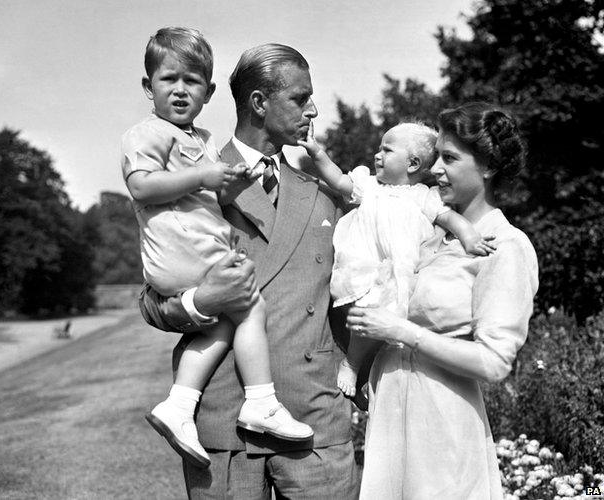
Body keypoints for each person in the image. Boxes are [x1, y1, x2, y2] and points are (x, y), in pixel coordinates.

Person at [139, 43, 360, 499]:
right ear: (259, 103)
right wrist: (201, 302)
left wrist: (355, 373)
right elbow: (150, 299)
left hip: (314, 420)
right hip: (224, 420)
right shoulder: (188, 180)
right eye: (300, 99)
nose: (313, 109)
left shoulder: (323, 192)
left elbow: (346, 294)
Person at [121, 28, 312, 469]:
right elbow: (142, 187)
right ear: (148, 87)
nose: (180, 90)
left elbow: (214, 200)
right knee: (249, 306)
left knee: (227, 321)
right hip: (182, 256)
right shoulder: (146, 135)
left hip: (198, 251)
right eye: (169, 80)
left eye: (192, 82)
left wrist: (233, 184)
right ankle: (260, 400)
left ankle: (179, 404)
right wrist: (204, 177)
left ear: (208, 93)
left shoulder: (203, 143)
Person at [346, 102, 539, 499]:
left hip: (443, 425)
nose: (435, 169)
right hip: (389, 416)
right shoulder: (424, 233)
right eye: (436, 157)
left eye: (449, 158)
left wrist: (401, 331)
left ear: (487, 166)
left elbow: (493, 361)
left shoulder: (506, 247)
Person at [298, 121, 495, 400]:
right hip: (366, 266)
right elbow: (339, 180)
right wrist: (317, 153)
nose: (377, 155)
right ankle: (351, 364)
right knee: (366, 314)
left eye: (387, 150)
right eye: (379, 149)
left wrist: (469, 236)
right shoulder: (369, 186)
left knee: (387, 328)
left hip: (400, 273)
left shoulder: (423, 197)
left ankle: (364, 375)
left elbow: (449, 218)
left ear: (413, 164)